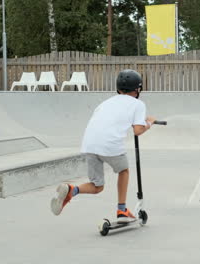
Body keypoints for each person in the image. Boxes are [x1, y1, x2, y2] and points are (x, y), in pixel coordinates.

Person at [50, 69, 156, 223]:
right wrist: (149, 123)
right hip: (109, 144)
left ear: (118, 88)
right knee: (124, 171)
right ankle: (121, 210)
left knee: (97, 186)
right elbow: (138, 130)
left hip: (89, 144)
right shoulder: (138, 104)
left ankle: (72, 190)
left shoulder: (106, 103)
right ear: (138, 89)